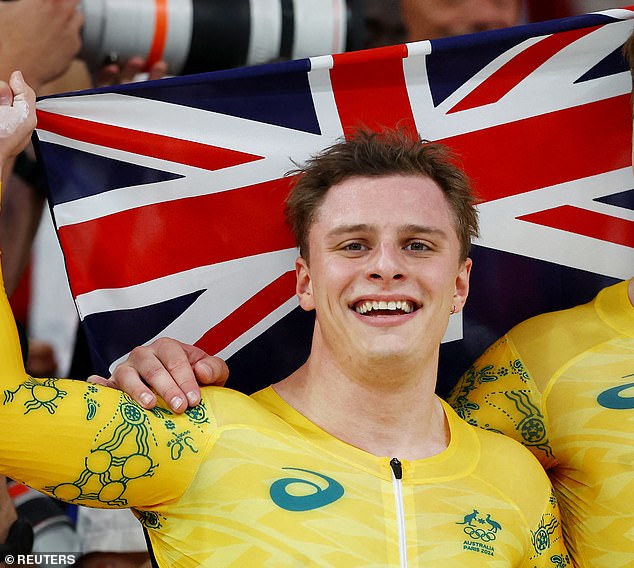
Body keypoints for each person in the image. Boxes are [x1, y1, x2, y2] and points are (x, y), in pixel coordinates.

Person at [0, 71, 568, 566]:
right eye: (353, 246)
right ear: (305, 282)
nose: (386, 267)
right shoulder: (195, 434)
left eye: (418, 245)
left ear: (460, 285)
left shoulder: (516, 480)